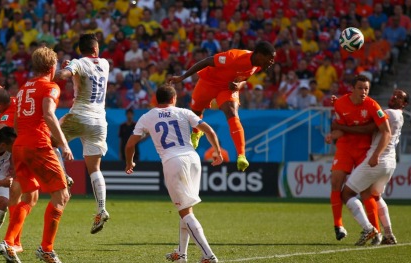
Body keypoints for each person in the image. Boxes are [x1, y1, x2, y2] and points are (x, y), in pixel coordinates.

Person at [125, 84, 223, 263]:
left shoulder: (147, 116)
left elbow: (130, 144)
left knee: (185, 212)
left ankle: (208, 255)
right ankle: (182, 254)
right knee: (185, 209)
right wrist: (217, 151)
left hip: (173, 162)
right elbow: (209, 130)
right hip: (193, 159)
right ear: (173, 99)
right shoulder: (184, 112)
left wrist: (129, 161)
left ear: (156, 100)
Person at [0, 46, 73, 263]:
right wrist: (64, 144)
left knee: (30, 196)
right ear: (52, 66)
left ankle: (9, 242)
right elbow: (48, 114)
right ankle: (46, 249)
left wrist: (21, 144)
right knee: (61, 194)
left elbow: (15, 122)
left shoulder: (23, 88)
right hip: (37, 145)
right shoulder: (50, 87)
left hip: (20, 145)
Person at [169, 41, 276, 172]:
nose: (271, 62)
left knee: (232, 112)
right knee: (196, 111)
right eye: (270, 58)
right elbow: (207, 61)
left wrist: (238, 85)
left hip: (226, 88)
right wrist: (182, 77)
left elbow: (244, 79)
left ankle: (241, 155)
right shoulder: (233, 57)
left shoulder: (257, 65)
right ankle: (197, 132)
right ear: (259, 55)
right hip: (208, 82)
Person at [54, 33, 110, 234]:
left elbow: (63, 76)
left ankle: (64, 175)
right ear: (95, 49)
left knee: (49, 141)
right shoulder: (105, 63)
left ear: (81, 50)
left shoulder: (78, 63)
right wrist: (73, 68)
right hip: (99, 122)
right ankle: (101, 208)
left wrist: (63, 68)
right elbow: (85, 71)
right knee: (95, 169)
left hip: (79, 116)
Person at [325, 74, 390, 241]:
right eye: (360, 88)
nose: (364, 91)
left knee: (365, 191)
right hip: (345, 147)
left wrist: (377, 155)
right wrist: (332, 135)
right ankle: (338, 226)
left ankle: (376, 232)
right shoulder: (340, 103)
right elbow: (341, 129)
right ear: (352, 89)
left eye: (366, 88)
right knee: (335, 182)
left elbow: (385, 130)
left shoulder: (372, 106)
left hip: (364, 150)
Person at [340, 89, 408, 246]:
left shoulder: (389, 113)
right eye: (394, 94)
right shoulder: (400, 116)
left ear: (404, 104)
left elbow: (367, 127)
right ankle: (389, 234)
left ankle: (368, 228)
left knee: (346, 194)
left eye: (399, 97)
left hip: (377, 160)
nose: (394, 97)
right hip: (390, 162)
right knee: (375, 196)